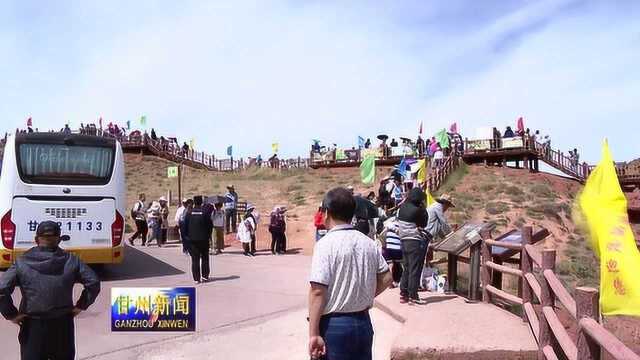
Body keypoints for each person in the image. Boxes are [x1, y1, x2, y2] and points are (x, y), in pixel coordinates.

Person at [308, 187, 392, 360]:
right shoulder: (368, 243)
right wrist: (363, 295)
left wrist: (313, 333)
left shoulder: (325, 245)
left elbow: (317, 291)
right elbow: (387, 277)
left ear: (327, 213)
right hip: (363, 324)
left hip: (334, 327)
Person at [0, 221, 100, 360]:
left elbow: (1, 289)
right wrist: (80, 306)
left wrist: (12, 315)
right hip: (63, 324)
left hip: (33, 326)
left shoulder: (21, 262)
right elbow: (93, 282)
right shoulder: (72, 260)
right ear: (59, 239)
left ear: (36, 240)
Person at [397, 188, 430, 305]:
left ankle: (403, 293)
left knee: (406, 267)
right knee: (414, 268)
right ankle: (413, 295)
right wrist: (423, 208)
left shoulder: (402, 208)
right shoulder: (418, 210)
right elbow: (424, 223)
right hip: (414, 241)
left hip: (403, 240)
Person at [184, 196, 212, 283]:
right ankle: (205, 276)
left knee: (195, 259)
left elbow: (185, 226)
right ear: (201, 202)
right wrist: (208, 236)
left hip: (192, 240)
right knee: (205, 258)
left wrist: (187, 238)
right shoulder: (205, 212)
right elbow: (209, 225)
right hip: (204, 239)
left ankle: (196, 278)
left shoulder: (189, 213)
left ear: (194, 202)